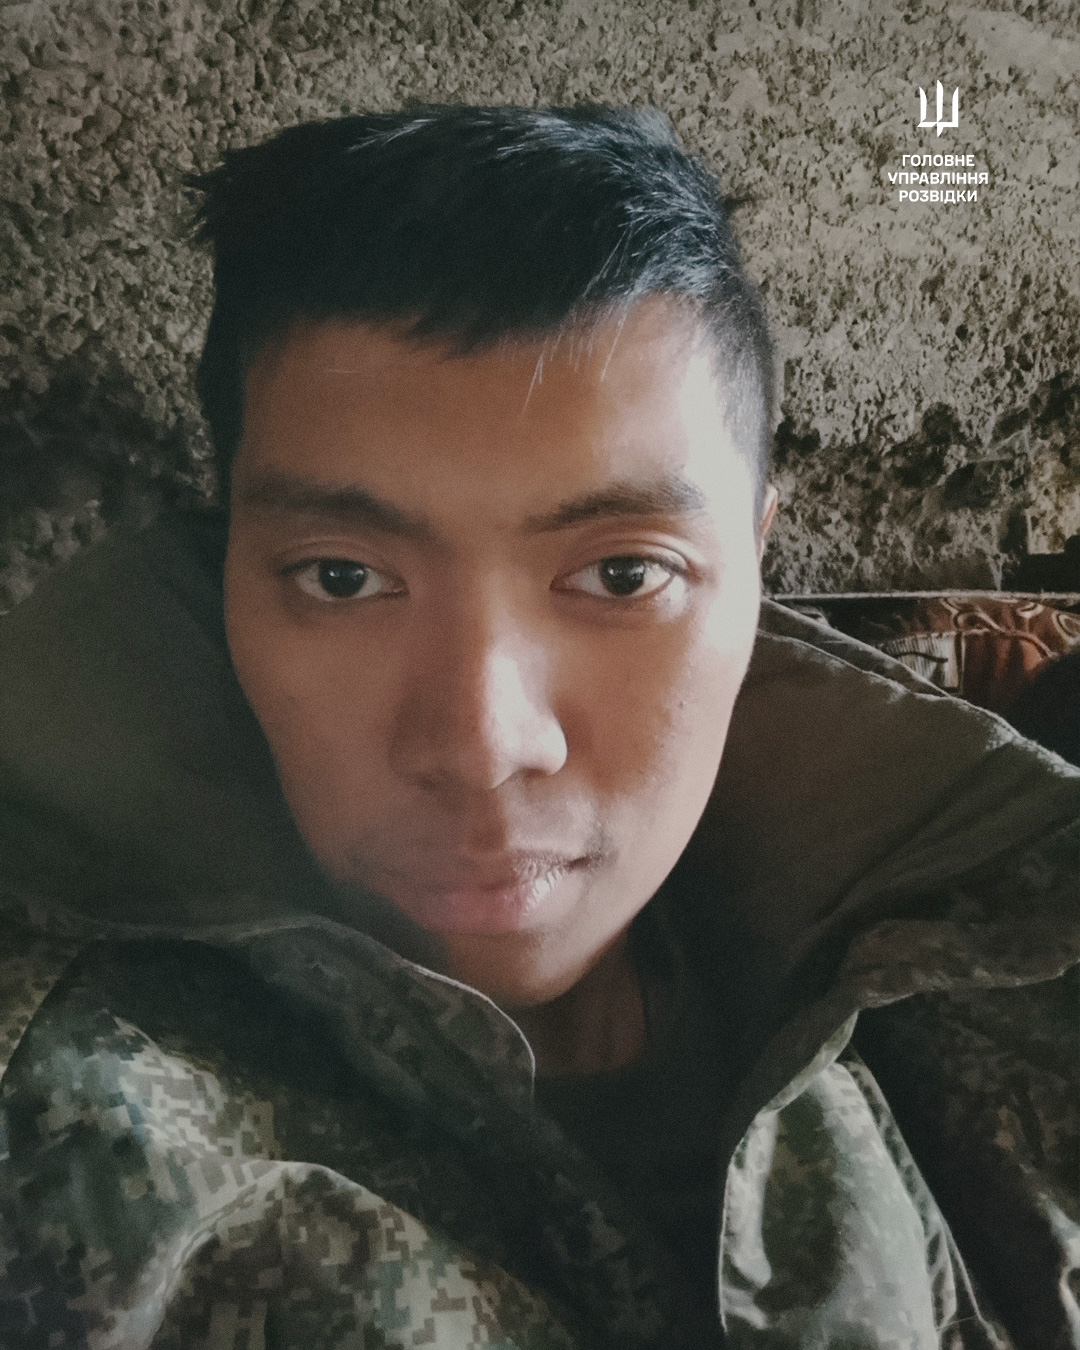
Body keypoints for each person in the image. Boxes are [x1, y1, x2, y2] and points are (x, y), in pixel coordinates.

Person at [0, 105, 1075, 1350]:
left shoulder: (1014, 966)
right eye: (343, 578)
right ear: (227, 560)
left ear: (758, 564)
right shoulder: (59, 1100)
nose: (482, 743)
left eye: (623, 575)